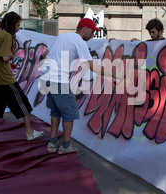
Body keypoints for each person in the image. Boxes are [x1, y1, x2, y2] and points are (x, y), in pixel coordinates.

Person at [40, 18, 118, 154]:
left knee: (56, 111)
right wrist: (113, 74)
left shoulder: (62, 36)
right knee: (69, 113)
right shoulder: (79, 41)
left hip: (46, 79)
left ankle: (52, 143)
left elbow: (45, 54)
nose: (93, 34)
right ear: (84, 29)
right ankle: (65, 146)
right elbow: (92, 66)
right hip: (58, 80)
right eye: (93, 31)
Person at [0, 11, 44, 144]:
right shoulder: (6, 36)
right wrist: (12, 55)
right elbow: (5, 57)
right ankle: (29, 133)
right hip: (5, 79)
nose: (18, 28)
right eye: (17, 25)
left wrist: (10, 64)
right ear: (12, 23)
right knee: (23, 103)